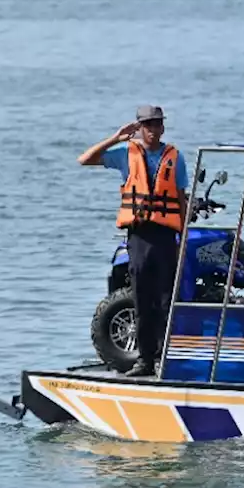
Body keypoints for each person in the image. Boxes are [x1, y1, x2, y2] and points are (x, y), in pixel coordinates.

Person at [78, 105, 189, 378]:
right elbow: (85, 160)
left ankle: (165, 359)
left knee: (166, 301)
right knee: (142, 300)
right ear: (139, 128)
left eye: (156, 124)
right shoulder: (126, 153)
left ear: (162, 127)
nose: (152, 130)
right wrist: (116, 137)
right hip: (139, 235)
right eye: (147, 125)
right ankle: (144, 361)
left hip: (165, 236)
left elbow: (181, 198)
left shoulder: (175, 157)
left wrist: (183, 237)